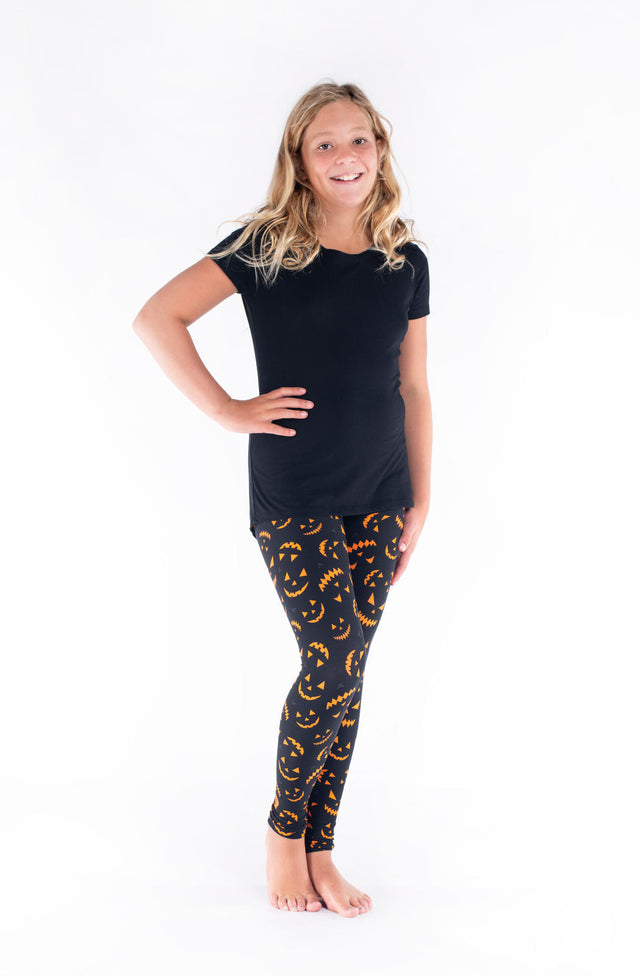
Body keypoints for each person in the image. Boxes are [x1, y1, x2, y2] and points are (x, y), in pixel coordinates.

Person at [132, 80, 432, 917]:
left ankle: (321, 848)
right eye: (324, 143)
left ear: (380, 148)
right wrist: (227, 410)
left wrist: (421, 499)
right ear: (300, 159)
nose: (346, 157)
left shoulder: (405, 259)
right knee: (330, 661)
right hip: (295, 489)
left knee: (349, 672)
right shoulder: (266, 247)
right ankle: (282, 835)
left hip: (382, 490)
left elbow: (414, 386)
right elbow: (158, 317)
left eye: (359, 139)